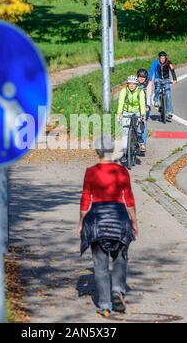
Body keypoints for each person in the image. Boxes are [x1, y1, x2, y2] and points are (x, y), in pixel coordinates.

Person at [78, 135, 138, 317]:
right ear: (112, 150)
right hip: (119, 218)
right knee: (120, 257)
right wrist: (134, 222)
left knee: (100, 264)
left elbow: (85, 199)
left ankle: (105, 305)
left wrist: (81, 223)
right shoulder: (121, 171)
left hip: (97, 220)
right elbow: (129, 199)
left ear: (96, 151)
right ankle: (118, 289)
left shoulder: (91, 172)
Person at [117, 75, 146, 163]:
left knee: (139, 127)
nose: (132, 86)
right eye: (130, 84)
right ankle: (125, 154)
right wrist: (119, 113)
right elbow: (121, 102)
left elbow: (142, 103)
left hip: (136, 111)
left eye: (134, 84)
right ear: (127, 84)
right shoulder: (124, 91)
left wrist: (143, 115)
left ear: (137, 84)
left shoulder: (140, 91)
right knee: (125, 133)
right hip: (126, 111)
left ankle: (140, 141)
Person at [149, 51, 177, 120]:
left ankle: (169, 112)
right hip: (158, 79)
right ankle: (156, 100)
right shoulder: (155, 62)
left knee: (168, 95)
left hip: (166, 79)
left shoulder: (169, 62)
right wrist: (150, 80)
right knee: (157, 88)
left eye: (164, 58)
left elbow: (172, 70)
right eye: (161, 58)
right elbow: (151, 71)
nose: (162, 60)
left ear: (166, 58)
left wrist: (174, 79)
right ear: (159, 58)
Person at [137, 68, 152, 152]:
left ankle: (143, 144)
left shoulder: (148, 85)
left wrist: (147, 106)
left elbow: (148, 96)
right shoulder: (134, 84)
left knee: (143, 124)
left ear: (146, 78)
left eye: (143, 77)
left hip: (145, 106)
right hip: (135, 106)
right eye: (140, 77)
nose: (141, 79)